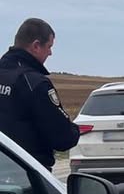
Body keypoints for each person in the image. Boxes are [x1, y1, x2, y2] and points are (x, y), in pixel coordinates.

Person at [0, 18, 79, 170]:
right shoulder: (34, 83)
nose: (50, 53)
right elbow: (63, 138)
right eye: (49, 46)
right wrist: (74, 130)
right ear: (36, 46)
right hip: (27, 174)